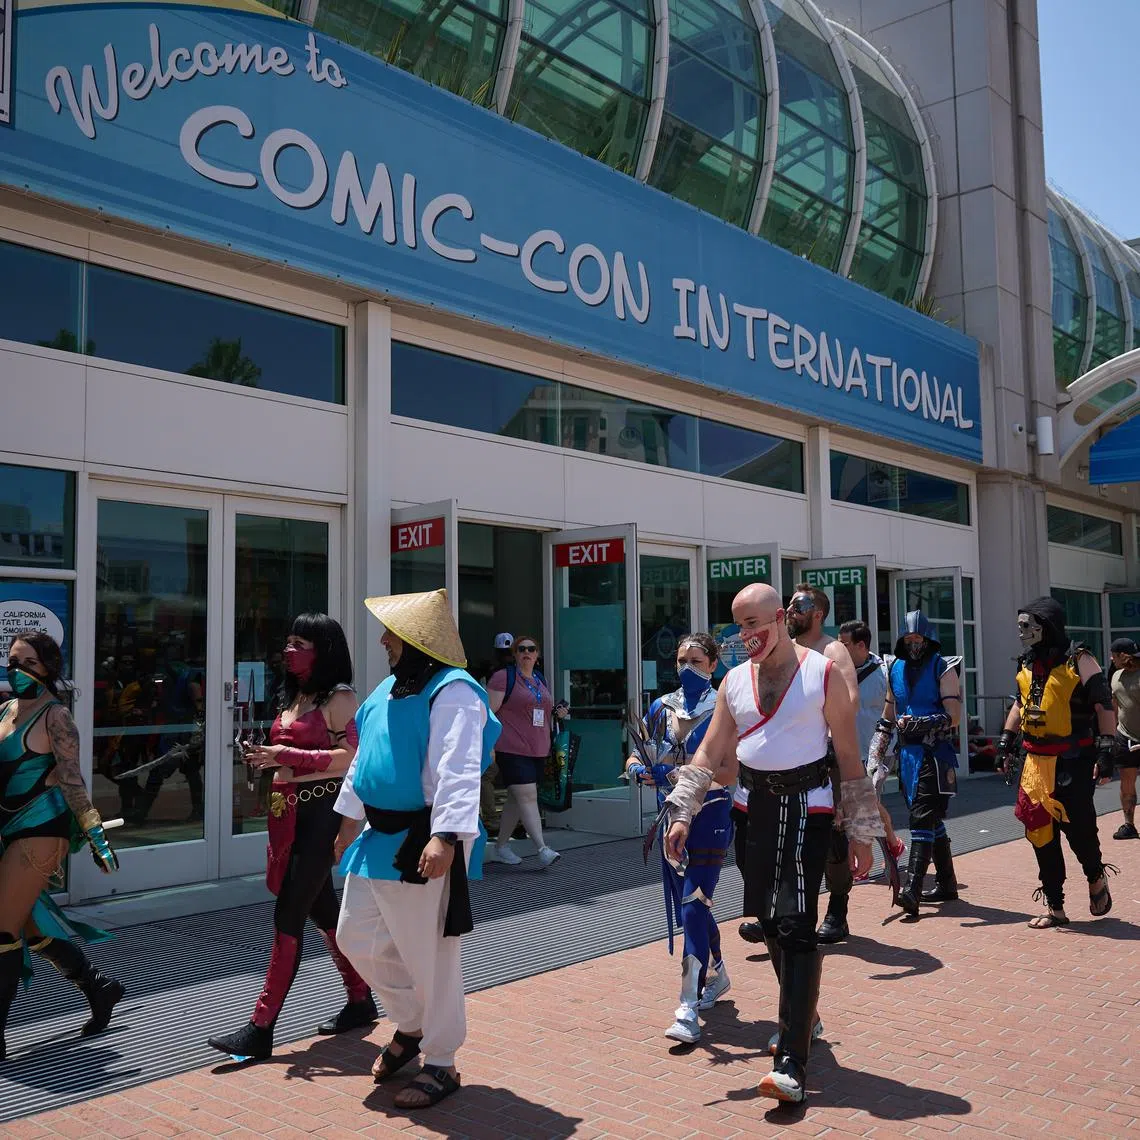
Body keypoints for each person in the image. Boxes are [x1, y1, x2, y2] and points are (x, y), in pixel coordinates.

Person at [664, 583, 878, 1104]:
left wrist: (863, 830)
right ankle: (805, 1015)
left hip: (809, 808)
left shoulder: (821, 672)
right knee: (769, 923)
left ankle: (791, 1061)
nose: (747, 635)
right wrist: (681, 811)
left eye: (756, 623)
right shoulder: (734, 680)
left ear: (781, 617)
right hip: (750, 811)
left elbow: (849, 758)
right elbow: (710, 750)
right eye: (739, 627)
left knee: (796, 923)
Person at [332, 588, 500, 1111]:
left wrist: (447, 836)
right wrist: (345, 822)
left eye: (393, 634)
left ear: (417, 641)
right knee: (355, 936)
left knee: (431, 955)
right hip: (377, 838)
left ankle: (442, 1060)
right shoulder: (386, 689)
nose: (384, 640)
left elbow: (459, 766)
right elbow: (365, 761)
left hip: (422, 838)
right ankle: (411, 1023)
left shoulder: (454, 691)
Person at [207, 614, 374, 1062]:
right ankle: (360, 997)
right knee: (323, 911)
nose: (289, 649)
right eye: (288, 640)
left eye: (299, 641)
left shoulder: (340, 698)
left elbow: (353, 758)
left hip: (320, 812)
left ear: (324, 648)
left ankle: (260, 1027)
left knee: (288, 915)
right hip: (287, 814)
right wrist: (266, 758)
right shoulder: (296, 696)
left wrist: (285, 754)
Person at [1, 631, 124, 1061]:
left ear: (48, 669)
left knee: (1, 931)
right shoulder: (4, 711)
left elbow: (73, 782)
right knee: (32, 930)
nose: (16, 670)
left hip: (40, 833)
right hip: (7, 833)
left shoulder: (56, 718)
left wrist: (97, 840)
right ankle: (98, 988)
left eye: (27, 663)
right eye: (12, 660)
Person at [624, 633, 732, 1044]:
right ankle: (718, 972)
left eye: (696, 659)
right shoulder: (661, 706)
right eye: (681, 659)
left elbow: (728, 773)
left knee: (693, 899)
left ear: (712, 664)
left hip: (712, 812)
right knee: (694, 903)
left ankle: (687, 1004)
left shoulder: (724, 706)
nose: (687, 666)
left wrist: (676, 774)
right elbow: (637, 754)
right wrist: (638, 770)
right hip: (668, 815)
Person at [996, 597, 1117, 928]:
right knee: (1039, 831)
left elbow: (1104, 705)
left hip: (1072, 760)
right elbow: (1020, 705)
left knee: (1078, 830)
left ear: (1045, 626)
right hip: (1034, 761)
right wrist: (1006, 742)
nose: (1021, 632)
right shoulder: (1026, 662)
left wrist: (1106, 750)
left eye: (1027, 626)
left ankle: (1095, 877)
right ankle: (1055, 906)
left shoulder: (1080, 659)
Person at [867, 611, 962, 916]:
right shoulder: (894, 667)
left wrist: (922, 723)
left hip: (934, 753)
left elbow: (955, 715)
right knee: (929, 818)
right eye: (908, 639)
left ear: (928, 637)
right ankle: (947, 883)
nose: (913, 643)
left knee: (921, 818)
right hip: (907, 755)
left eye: (917, 638)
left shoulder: (943, 667)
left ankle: (913, 891)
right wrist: (876, 752)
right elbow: (889, 713)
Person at [784, 583, 861, 945]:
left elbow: (849, 703)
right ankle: (784, 912)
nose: (790, 611)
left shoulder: (833, 650)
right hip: (788, 758)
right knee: (789, 836)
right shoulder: (783, 650)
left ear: (817, 613)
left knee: (832, 835)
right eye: (789, 604)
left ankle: (837, 910)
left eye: (798, 606)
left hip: (825, 759)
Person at [487, 635, 563, 868]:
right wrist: (488, 746)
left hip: (538, 749)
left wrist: (557, 711)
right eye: (521, 649)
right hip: (511, 748)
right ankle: (542, 848)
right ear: (514, 654)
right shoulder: (503, 678)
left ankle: (501, 846)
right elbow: (488, 713)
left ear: (537, 655)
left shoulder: (539, 679)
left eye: (531, 649)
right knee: (528, 796)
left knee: (515, 799)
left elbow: (540, 710)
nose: (526, 653)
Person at [838, 621, 906, 880]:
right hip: (849, 749)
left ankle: (869, 857)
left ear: (861, 645)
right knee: (864, 803)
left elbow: (896, 708)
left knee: (865, 803)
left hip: (878, 749)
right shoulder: (838, 671)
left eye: (844, 644)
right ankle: (892, 844)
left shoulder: (885, 672)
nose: (839, 649)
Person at [1109, 637, 1140, 840]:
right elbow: (1115, 705)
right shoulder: (1116, 676)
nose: (1111, 659)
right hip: (1125, 736)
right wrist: (1112, 735)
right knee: (1126, 783)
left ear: (1123, 656)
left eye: (1114, 655)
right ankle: (1129, 826)